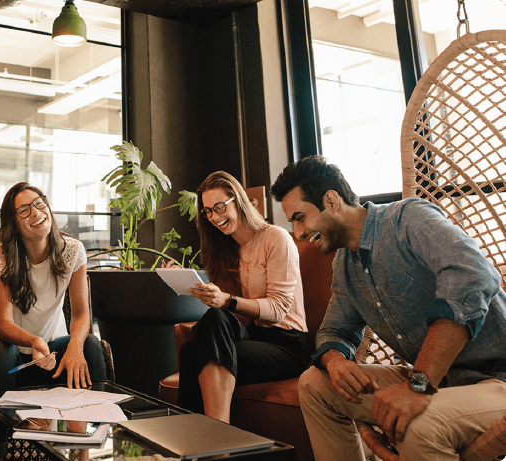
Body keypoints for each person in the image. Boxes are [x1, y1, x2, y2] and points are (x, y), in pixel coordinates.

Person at [271, 155, 506, 461]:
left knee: (414, 425)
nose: (298, 232)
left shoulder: (407, 219)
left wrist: (418, 386)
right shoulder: (346, 263)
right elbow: (334, 329)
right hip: (441, 382)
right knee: (315, 384)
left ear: (330, 200)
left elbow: (473, 275)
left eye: (300, 217)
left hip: (495, 380)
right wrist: (336, 362)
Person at [0, 182, 107, 460]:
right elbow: (3, 323)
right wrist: (33, 340)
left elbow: (81, 313)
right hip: (5, 364)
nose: (36, 212)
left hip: (46, 359)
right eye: (24, 210)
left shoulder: (72, 250)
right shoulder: (4, 256)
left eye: (39, 203)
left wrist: (75, 346)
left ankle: (85, 447)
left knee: (91, 346)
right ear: (14, 224)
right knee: (3, 351)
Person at [177, 171, 308, 423]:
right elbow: (232, 318)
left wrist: (227, 300)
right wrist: (200, 290)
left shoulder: (276, 238)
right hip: (251, 337)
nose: (215, 217)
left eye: (219, 207)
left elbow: (278, 309)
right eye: (208, 212)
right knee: (198, 340)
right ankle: (198, 442)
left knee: (197, 347)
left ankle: (216, 439)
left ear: (237, 201)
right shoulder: (223, 250)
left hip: (287, 346)